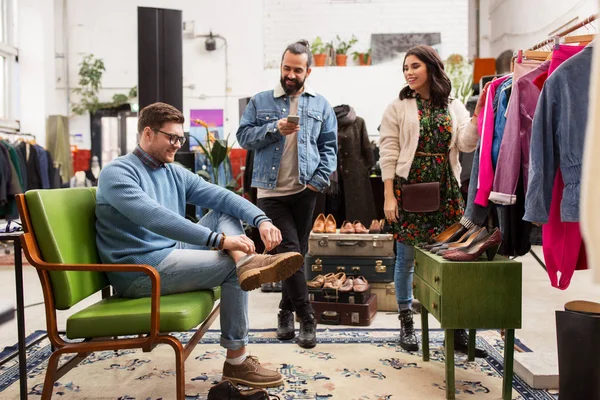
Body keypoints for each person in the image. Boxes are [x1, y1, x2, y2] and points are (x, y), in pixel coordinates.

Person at [96, 102, 305, 388]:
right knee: (231, 270)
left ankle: (244, 262)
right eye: (171, 138)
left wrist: (262, 220)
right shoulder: (117, 174)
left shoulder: (172, 171)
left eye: (180, 138)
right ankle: (237, 363)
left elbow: (220, 196)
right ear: (147, 134)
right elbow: (157, 219)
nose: (177, 145)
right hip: (140, 272)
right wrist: (220, 240)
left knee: (223, 211)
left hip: (170, 255)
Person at [379, 45, 487, 356]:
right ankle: (406, 321)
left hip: (446, 189)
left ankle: (456, 330)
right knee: (406, 259)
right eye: (405, 68)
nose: (409, 72)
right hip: (408, 188)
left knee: (453, 259)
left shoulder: (453, 106)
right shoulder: (398, 106)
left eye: (415, 66)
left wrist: (480, 116)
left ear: (431, 68)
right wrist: (388, 195)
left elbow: (466, 144)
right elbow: (388, 151)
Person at [237, 40, 338, 349]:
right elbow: (243, 137)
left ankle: (284, 311)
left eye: (297, 70)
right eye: (286, 68)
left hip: (305, 190)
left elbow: (330, 147)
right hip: (270, 193)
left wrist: (316, 182)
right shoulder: (260, 101)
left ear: (308, 70)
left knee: (296, 254)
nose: (290, 75)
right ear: (280, 67)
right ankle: (307, 317)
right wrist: (273, 129)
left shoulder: (321, 105)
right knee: (291, 248)